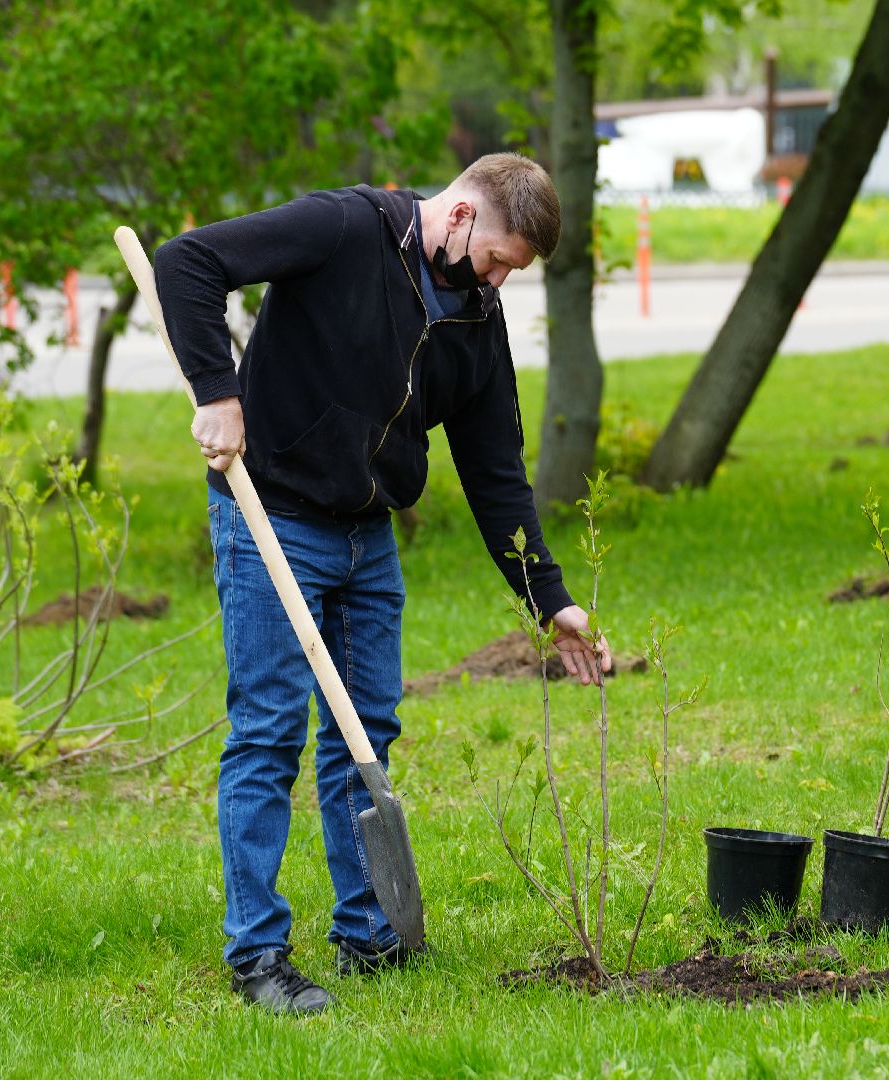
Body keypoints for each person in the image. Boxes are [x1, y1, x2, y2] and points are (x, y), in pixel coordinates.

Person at [154, 154, 613, 1014]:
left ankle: (368, 936)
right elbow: (188, 261)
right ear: (464, 218)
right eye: (500, 259)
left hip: (369, 538)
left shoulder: (478, 315)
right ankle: (258, 956)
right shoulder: (343, 229)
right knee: (266, 733)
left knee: (365, 735)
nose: (503, 280)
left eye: (516, 271)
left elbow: (495, 470)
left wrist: (549, 600)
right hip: (272, 520)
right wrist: (219, 392)